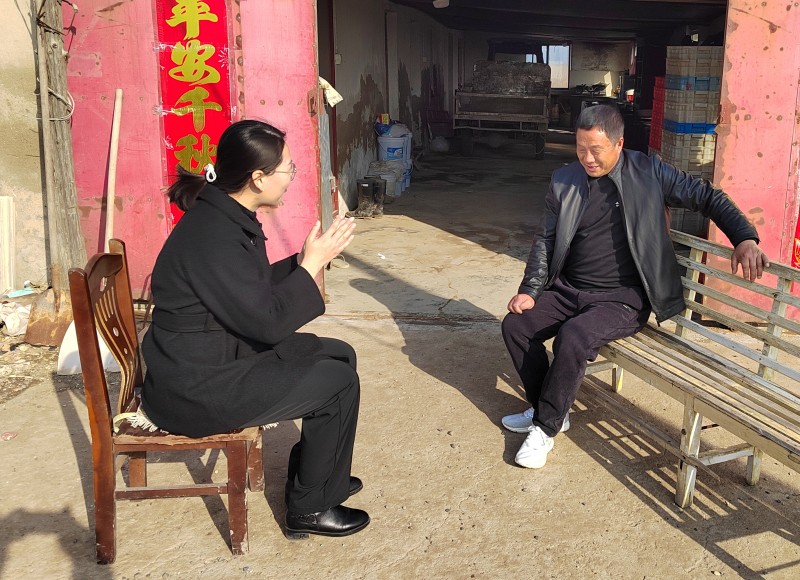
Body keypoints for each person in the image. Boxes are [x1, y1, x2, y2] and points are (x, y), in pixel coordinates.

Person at [500, 105, 769, 469]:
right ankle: (547, 410)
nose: (587, 158)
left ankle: (545, 428)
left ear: (619, 143)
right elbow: (545, 240)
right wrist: (530, 290)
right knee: (516, 326)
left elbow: (708, 196)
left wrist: (745, 238)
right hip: (569, 289)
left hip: (622, 299)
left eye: (596, 150)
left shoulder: (650, 172)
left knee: (573, 336)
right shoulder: (564, 180)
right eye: (581, 148)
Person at [140, 119, 370, 539]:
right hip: (196, 386)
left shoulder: (225, 215)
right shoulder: (213, 235)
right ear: (258, 178)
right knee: (337, 384)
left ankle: (319, 475)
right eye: (288, 169)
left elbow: (248, 289)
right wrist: (311, 266)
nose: (292, 177)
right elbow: (266, 323)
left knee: (341, 353)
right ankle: (311, 508)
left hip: (218, 354)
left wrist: (303, 260)